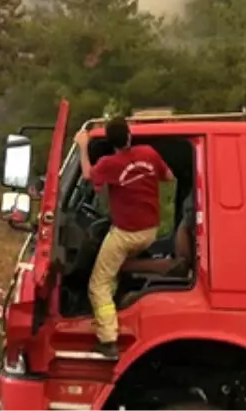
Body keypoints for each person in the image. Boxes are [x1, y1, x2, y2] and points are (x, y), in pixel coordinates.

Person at [75, 116, 175, 359]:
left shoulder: (110, 164)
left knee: (97, 285)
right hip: (149, 231)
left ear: (110, 141)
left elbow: (88, 175)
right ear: (129, 135)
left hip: (126, 235)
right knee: (113, 270)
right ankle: (117, 306)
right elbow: (169, 176)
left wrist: (82, 145)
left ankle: (108, 339)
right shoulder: (149, 153)